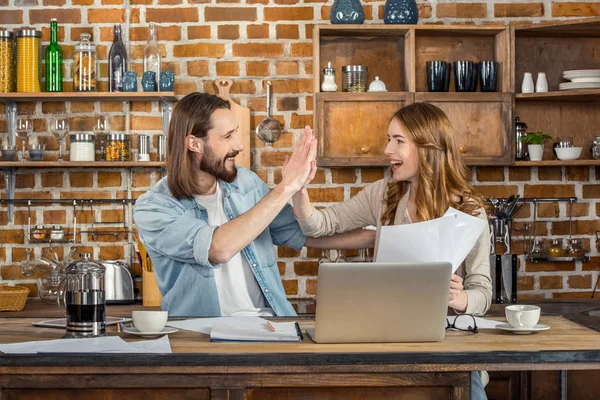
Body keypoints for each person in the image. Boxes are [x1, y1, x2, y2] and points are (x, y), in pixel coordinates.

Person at [289, 102, 492, 399]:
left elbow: (483, 294)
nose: (387, 149)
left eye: (398, 141)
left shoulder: (470, 211)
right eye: (388, 139)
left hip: (448, 346)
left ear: (428, 148)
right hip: (387, 339)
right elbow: (320, 224)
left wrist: (460, 298)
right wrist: (297, 188)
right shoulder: (383, 195)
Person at [134, 92, 374, 318]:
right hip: (199, 336)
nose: (238, 146)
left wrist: (382, 236)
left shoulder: (246, 183)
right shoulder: (154, 208)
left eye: (236, 133)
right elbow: (218, 249)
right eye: (227, 137)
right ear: (194, 144)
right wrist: (285, 188)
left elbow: (299, 233)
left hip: (267, 326)